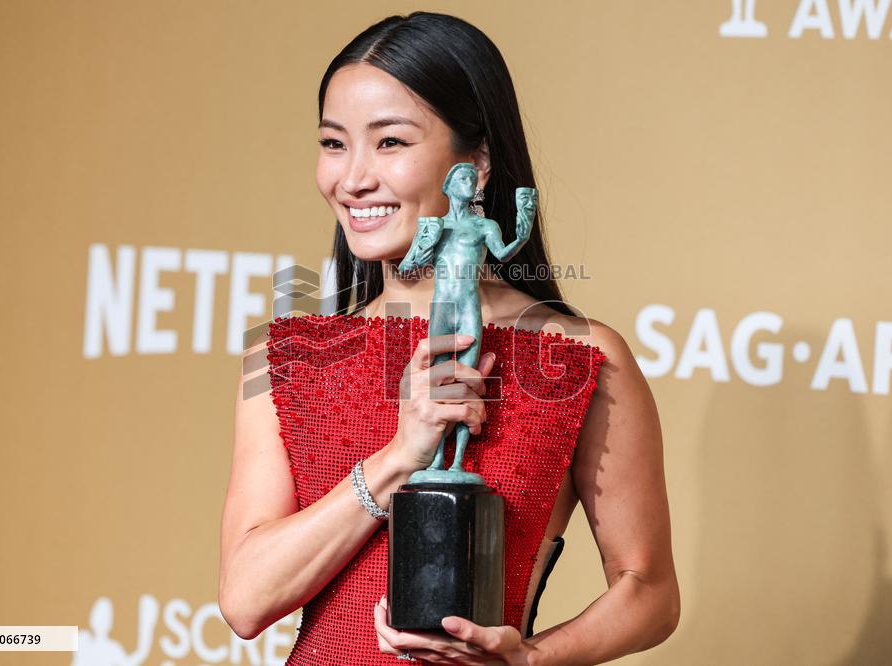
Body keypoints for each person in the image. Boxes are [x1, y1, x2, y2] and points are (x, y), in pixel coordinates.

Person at [219, 11, 679, 665]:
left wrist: (527, 658)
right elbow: (245, 599)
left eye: (390, 143)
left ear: (478, 162)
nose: (352, 178)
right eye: (333, 143)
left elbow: (650, 591)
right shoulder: (289, 358)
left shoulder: (578, 359)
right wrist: (400, 455)